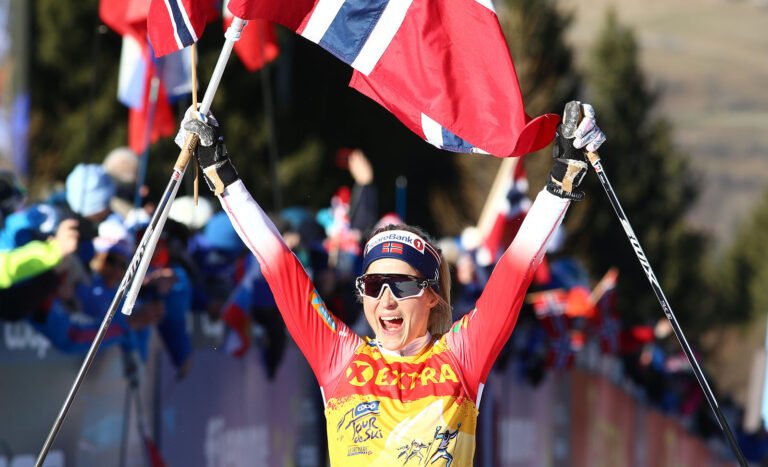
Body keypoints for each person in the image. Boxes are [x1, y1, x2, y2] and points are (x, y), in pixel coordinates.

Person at [178, 101, 606, 465]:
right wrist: (220, 169)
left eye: (402, 286)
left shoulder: (460, 358)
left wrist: (562, 178)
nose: (386, 299)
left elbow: (515, 271)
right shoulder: (340, 360)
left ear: (433, 297)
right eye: (374, 284)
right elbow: (279, 266)